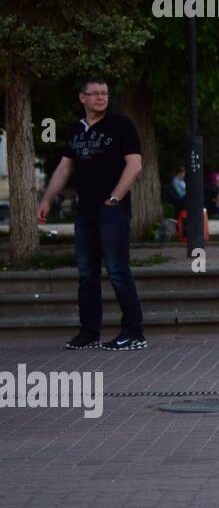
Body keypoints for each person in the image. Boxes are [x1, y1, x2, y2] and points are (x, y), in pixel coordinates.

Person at [36, 77, 147, 351]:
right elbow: (64, 168)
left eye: (104, 93)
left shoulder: (122, 125)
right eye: (94, 94)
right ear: (82, 98)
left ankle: (134, 333)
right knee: (87, 274)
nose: (100, 98)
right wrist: (47, 199)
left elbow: (134, 165)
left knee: (118, 271)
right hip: (84, 210)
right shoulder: (76, 129)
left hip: (112, 210)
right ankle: (89, 333)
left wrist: (115, 198)